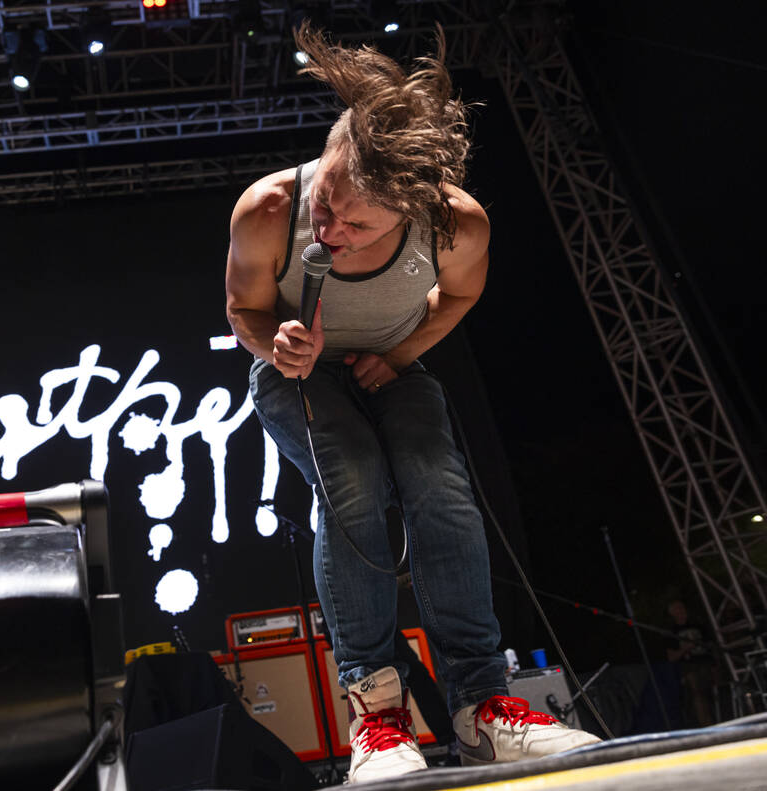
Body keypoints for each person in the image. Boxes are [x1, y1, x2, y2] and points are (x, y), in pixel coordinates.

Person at [224, 23, 600, 782]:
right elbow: (241, 309)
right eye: (328, 203)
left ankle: (484, 708)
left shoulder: (456, 225)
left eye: (356, 225)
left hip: (390, 367)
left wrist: (397, 354)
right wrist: (279, 345)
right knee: (355, 481)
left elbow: (460, 294)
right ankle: (379, 719)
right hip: (295, 374)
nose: (328, 230)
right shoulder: (269, 209)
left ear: (412, 207)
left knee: (441, 487)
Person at [665, 599, 715, 727]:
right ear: (672, 613)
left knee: (709, 693)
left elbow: (710, 645)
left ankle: (713, 718)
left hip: (706, 663)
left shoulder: (698, 625)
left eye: (681, 607)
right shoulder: (672, 631)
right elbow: (671, 657)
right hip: (688, 665)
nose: (680, 611)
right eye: (676, 609)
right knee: (696, 692)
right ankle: (705, 723)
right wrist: (686, 648)